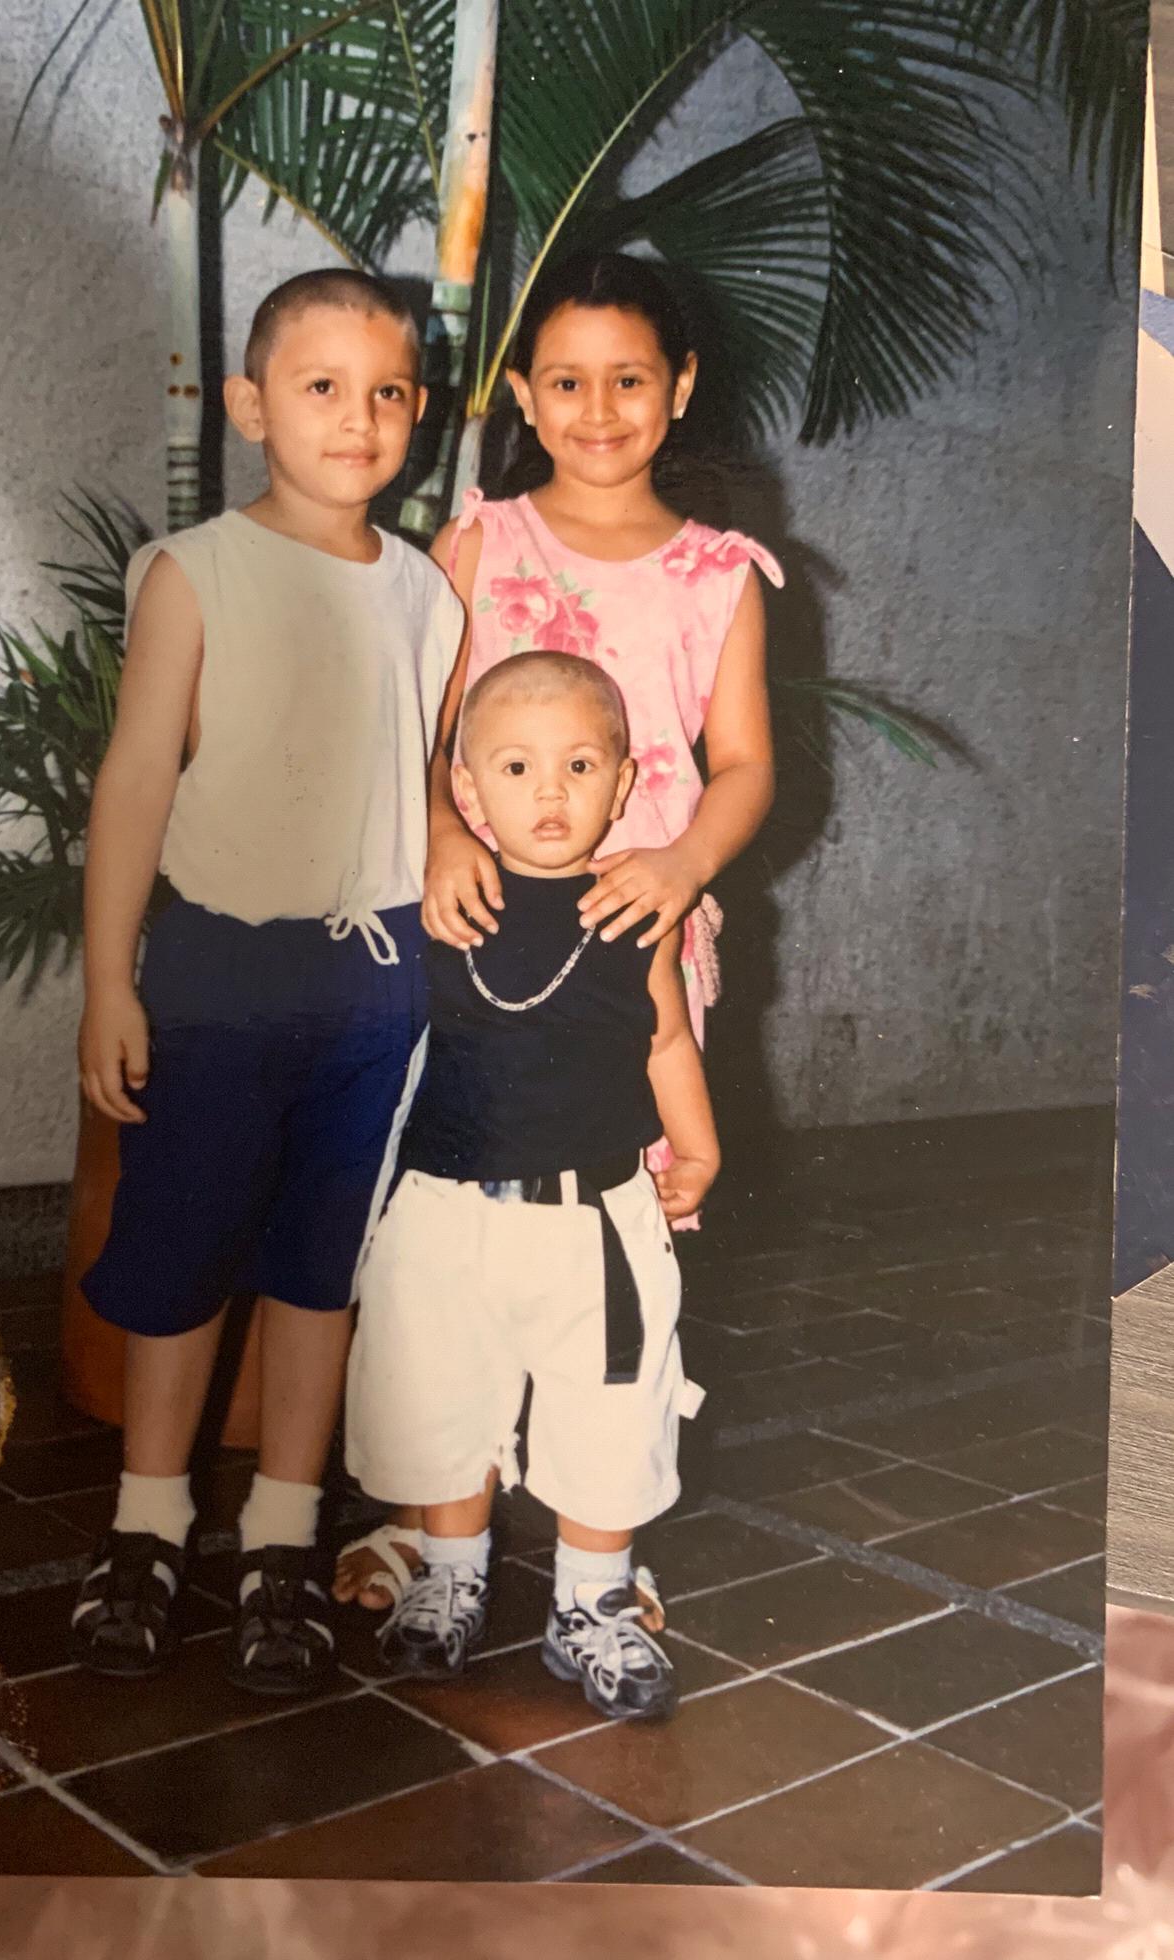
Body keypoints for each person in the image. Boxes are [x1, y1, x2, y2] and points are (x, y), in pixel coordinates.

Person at [333, 247, 783, 1613]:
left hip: (627, 939)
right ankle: (432, 1516)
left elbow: (748, 762)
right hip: (474, 949)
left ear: (682, 386)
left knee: (611, 1237)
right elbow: (411, 722)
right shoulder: (481, 543)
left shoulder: (721, 576)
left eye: (632, 379)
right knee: (452, 1233)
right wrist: (444, 831)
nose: (600, 409)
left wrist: (683, 858)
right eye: (570, 381)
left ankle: (602, 1526)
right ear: (524, 393)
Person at [69, 269, 463, 1695]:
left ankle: (282, 1539)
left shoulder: (425, 590)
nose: (357, 418)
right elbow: (131, 784)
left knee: (319, 1271)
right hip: (222, 970)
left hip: (375, 982)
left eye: (387, 392)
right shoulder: (197, 570)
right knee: (180, 1262)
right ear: (248, 405)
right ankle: (149, 1523)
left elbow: (421, 778)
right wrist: (112, 981)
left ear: (418, 411)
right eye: (319, 386)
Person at [344, 651, 717, 1720]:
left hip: (594, 1216)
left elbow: (665, 1036)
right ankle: (452, 1572)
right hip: (446, 1214)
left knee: (611, 1408)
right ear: (468, 787)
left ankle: (592, 1598)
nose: (548, 792)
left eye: (578, 764)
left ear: (624, 777)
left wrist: (695, 1146)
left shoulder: (633, 907)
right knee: (438, 1393)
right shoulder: (444, 898)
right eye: (514, 765)